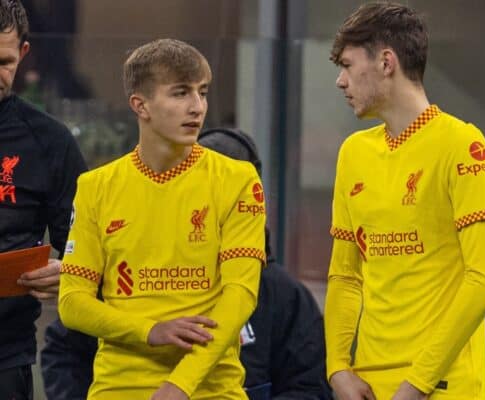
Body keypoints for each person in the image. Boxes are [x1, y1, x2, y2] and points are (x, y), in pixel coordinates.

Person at [42, 127, 333, 400]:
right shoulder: (117, 269)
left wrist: (181, 383)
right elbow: (66, 347)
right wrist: (149, 330)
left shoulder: (283, 296)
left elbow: (307, 385)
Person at [57, 39, 266, 399]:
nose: (197, 107)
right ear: (141, 105)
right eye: (180, 93)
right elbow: (72, 302)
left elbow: (241, 295)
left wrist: (180, 384)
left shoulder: (238, 179)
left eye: (202, 93)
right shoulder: (95, 187)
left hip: (210, 389)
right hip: (119, 388)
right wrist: (149, 330)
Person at [324, 3, 485, 400]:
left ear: (387, 62)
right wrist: (337, 366)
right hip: (367, 385)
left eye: (348, 65)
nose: (340, 81)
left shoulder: (463, 146)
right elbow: (344, 274)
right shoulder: (353, 153)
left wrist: (418, 383)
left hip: (441, 386)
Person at [0, 1, 87, 399]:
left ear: (24, 54)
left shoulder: (50, 141)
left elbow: (89, 245)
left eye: (4, 61)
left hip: (7, 355)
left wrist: (68, 270)